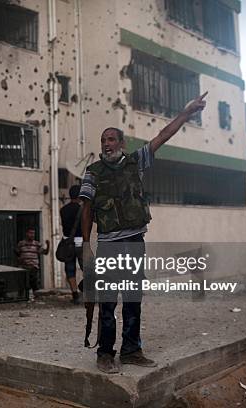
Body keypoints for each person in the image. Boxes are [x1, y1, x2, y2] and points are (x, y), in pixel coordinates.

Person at [80, 93, 207, 374]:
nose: (106, 144)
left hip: (135, 241)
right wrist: (85, 243)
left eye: (111, 139)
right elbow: (87, 208)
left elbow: (163, 135)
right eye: (103, 140)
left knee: (133, 299)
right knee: (108, 302)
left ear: (122, 143)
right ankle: (104, 354)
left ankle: (131, 351)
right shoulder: (93, 172)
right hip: (109, 245)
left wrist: (186, 114)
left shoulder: (135, 161)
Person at [60, 185, 84, 304]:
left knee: (70, 269)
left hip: (67, 244)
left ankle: (75, 295)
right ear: (80, 196)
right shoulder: (83, 210)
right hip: (81, 244)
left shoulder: (63, 210)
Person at [16, 227, 50, 301]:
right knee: (22, 283)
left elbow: (45, 253)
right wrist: (20, 260)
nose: (32, 235)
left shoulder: (37, 244)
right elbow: (17, 253)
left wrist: (48, 245)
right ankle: (21, 298)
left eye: (33, 233)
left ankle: (36, 297)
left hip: (33, 267)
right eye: (30, 233)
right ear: (27, 233)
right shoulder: (21, 243)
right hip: (23, 267)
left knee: (34, 283)